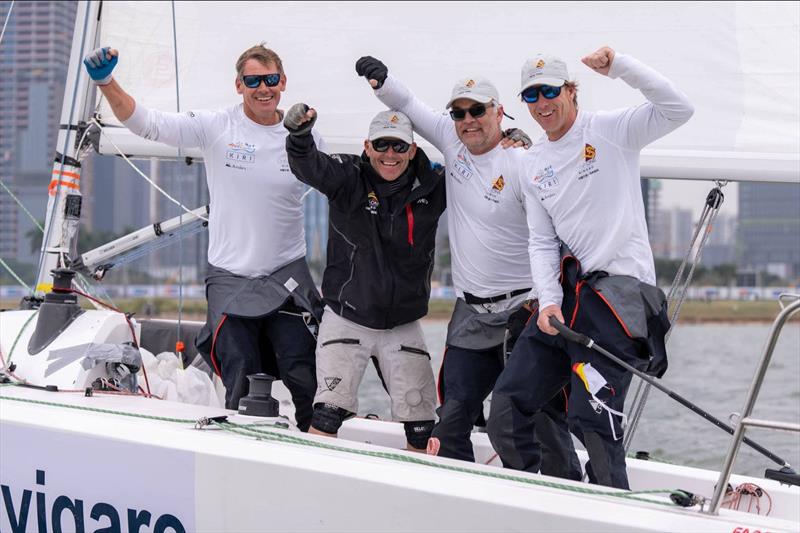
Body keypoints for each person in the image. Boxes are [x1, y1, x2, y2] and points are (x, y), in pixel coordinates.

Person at [356, 56, 581, 479]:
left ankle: (560, 495)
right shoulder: (451, 142)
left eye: (478, 110)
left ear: (499, 112)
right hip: (470, 314)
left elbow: (547, 239)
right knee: (451, 422)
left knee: (536, 420)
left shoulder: (523, 162)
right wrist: (379, 81)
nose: (468, 120)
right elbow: (407, 103)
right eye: (459, 112)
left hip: (524, 311)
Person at [82, 45, 323, 430]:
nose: (264, 89)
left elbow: (344, 186)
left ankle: (321, 456)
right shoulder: (216, 126)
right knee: (238, 378)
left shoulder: (304, 137)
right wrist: (106, 81)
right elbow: (148, 124)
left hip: (286, 277)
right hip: (231, 278)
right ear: (238, 85)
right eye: (253, 81)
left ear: (283, 82)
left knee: (306, 377)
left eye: (271, 80)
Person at [487, 47, 693, 488]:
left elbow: (679, 108)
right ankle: (536, 496)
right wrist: (547, 302)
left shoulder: (611, 130)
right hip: (567, 299)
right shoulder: (533, 163)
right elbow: (541, 241)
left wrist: (620, 66)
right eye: (530, 95)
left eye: (549, 91)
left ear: (570, 89)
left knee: (591, 418)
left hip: (620, 298)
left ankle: (610, 505)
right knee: (506, 407)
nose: (542, 103)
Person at [283, 106, 445, 450]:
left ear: (413, 150)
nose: (390, 154)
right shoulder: (347, 176)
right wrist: (299, 136)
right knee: (326, 415)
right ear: (367, 146)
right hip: (346, 318)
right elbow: (308, 164)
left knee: (421, 427)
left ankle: (419, 496)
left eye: (399, 146)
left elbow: (479, 173)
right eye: (382, 145)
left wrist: (509, 145)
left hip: (403, 322)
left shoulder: (435, 183)